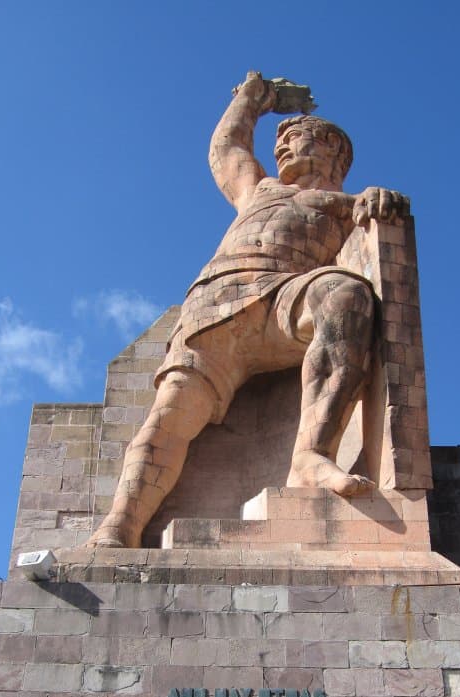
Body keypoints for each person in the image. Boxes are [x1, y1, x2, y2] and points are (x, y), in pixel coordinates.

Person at [89, 72, 408, 548]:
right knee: (169, 418)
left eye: (295, 139)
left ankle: (311, 455)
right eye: (280, 142)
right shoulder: (256, 190)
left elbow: (370, 243)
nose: (282, 149)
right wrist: (255, 98)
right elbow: (226, 147)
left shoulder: (347, 207)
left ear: (332, 152)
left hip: (285, 297)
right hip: (215, 307)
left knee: (345, 295)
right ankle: (118, 527)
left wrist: (377, 200)